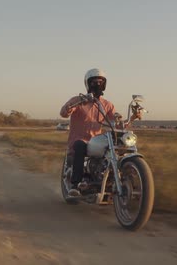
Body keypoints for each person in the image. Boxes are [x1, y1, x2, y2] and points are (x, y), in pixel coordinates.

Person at [60, 68, 141, 197]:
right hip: (79, 140)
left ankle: (122, 181)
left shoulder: (107, 105)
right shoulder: (78, 100)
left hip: (96, 142)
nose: (97, 85)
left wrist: (133, 117)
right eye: (94, 82)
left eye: (100, 82)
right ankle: (74, 185)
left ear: (104, 84)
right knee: (80, 146)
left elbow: (117, 124)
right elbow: (64, 113)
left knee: (118, 147)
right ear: (87, 83)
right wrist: (75, 104)